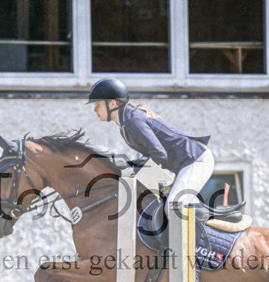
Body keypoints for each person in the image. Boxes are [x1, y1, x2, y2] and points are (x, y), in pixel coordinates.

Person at [87, 77, 214, 220]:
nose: (95, 110)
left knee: (173, 206)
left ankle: (195, 240)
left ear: (112, 103)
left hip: (196, 159)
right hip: (185, 163)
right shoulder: (125, 123)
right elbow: (151, 157)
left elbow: (159, 154)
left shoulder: (131, 120)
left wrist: (132, 167)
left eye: (98, 105)